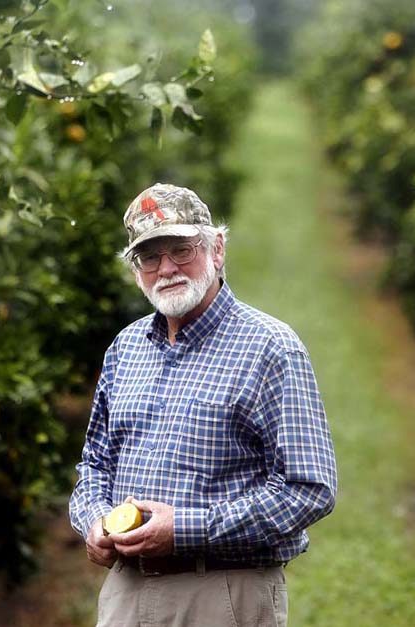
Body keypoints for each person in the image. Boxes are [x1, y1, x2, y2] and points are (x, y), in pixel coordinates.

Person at [69, 183, 337, 627]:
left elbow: (309, 489)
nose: (167, 268)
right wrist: (94, 520)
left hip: (224, 593)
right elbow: (95, 463)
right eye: (149, 257)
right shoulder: (125, 348)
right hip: (126, 593)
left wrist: (186, 529)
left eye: (181, 249)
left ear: (216, 249)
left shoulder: (270, 348)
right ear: (135, 270)